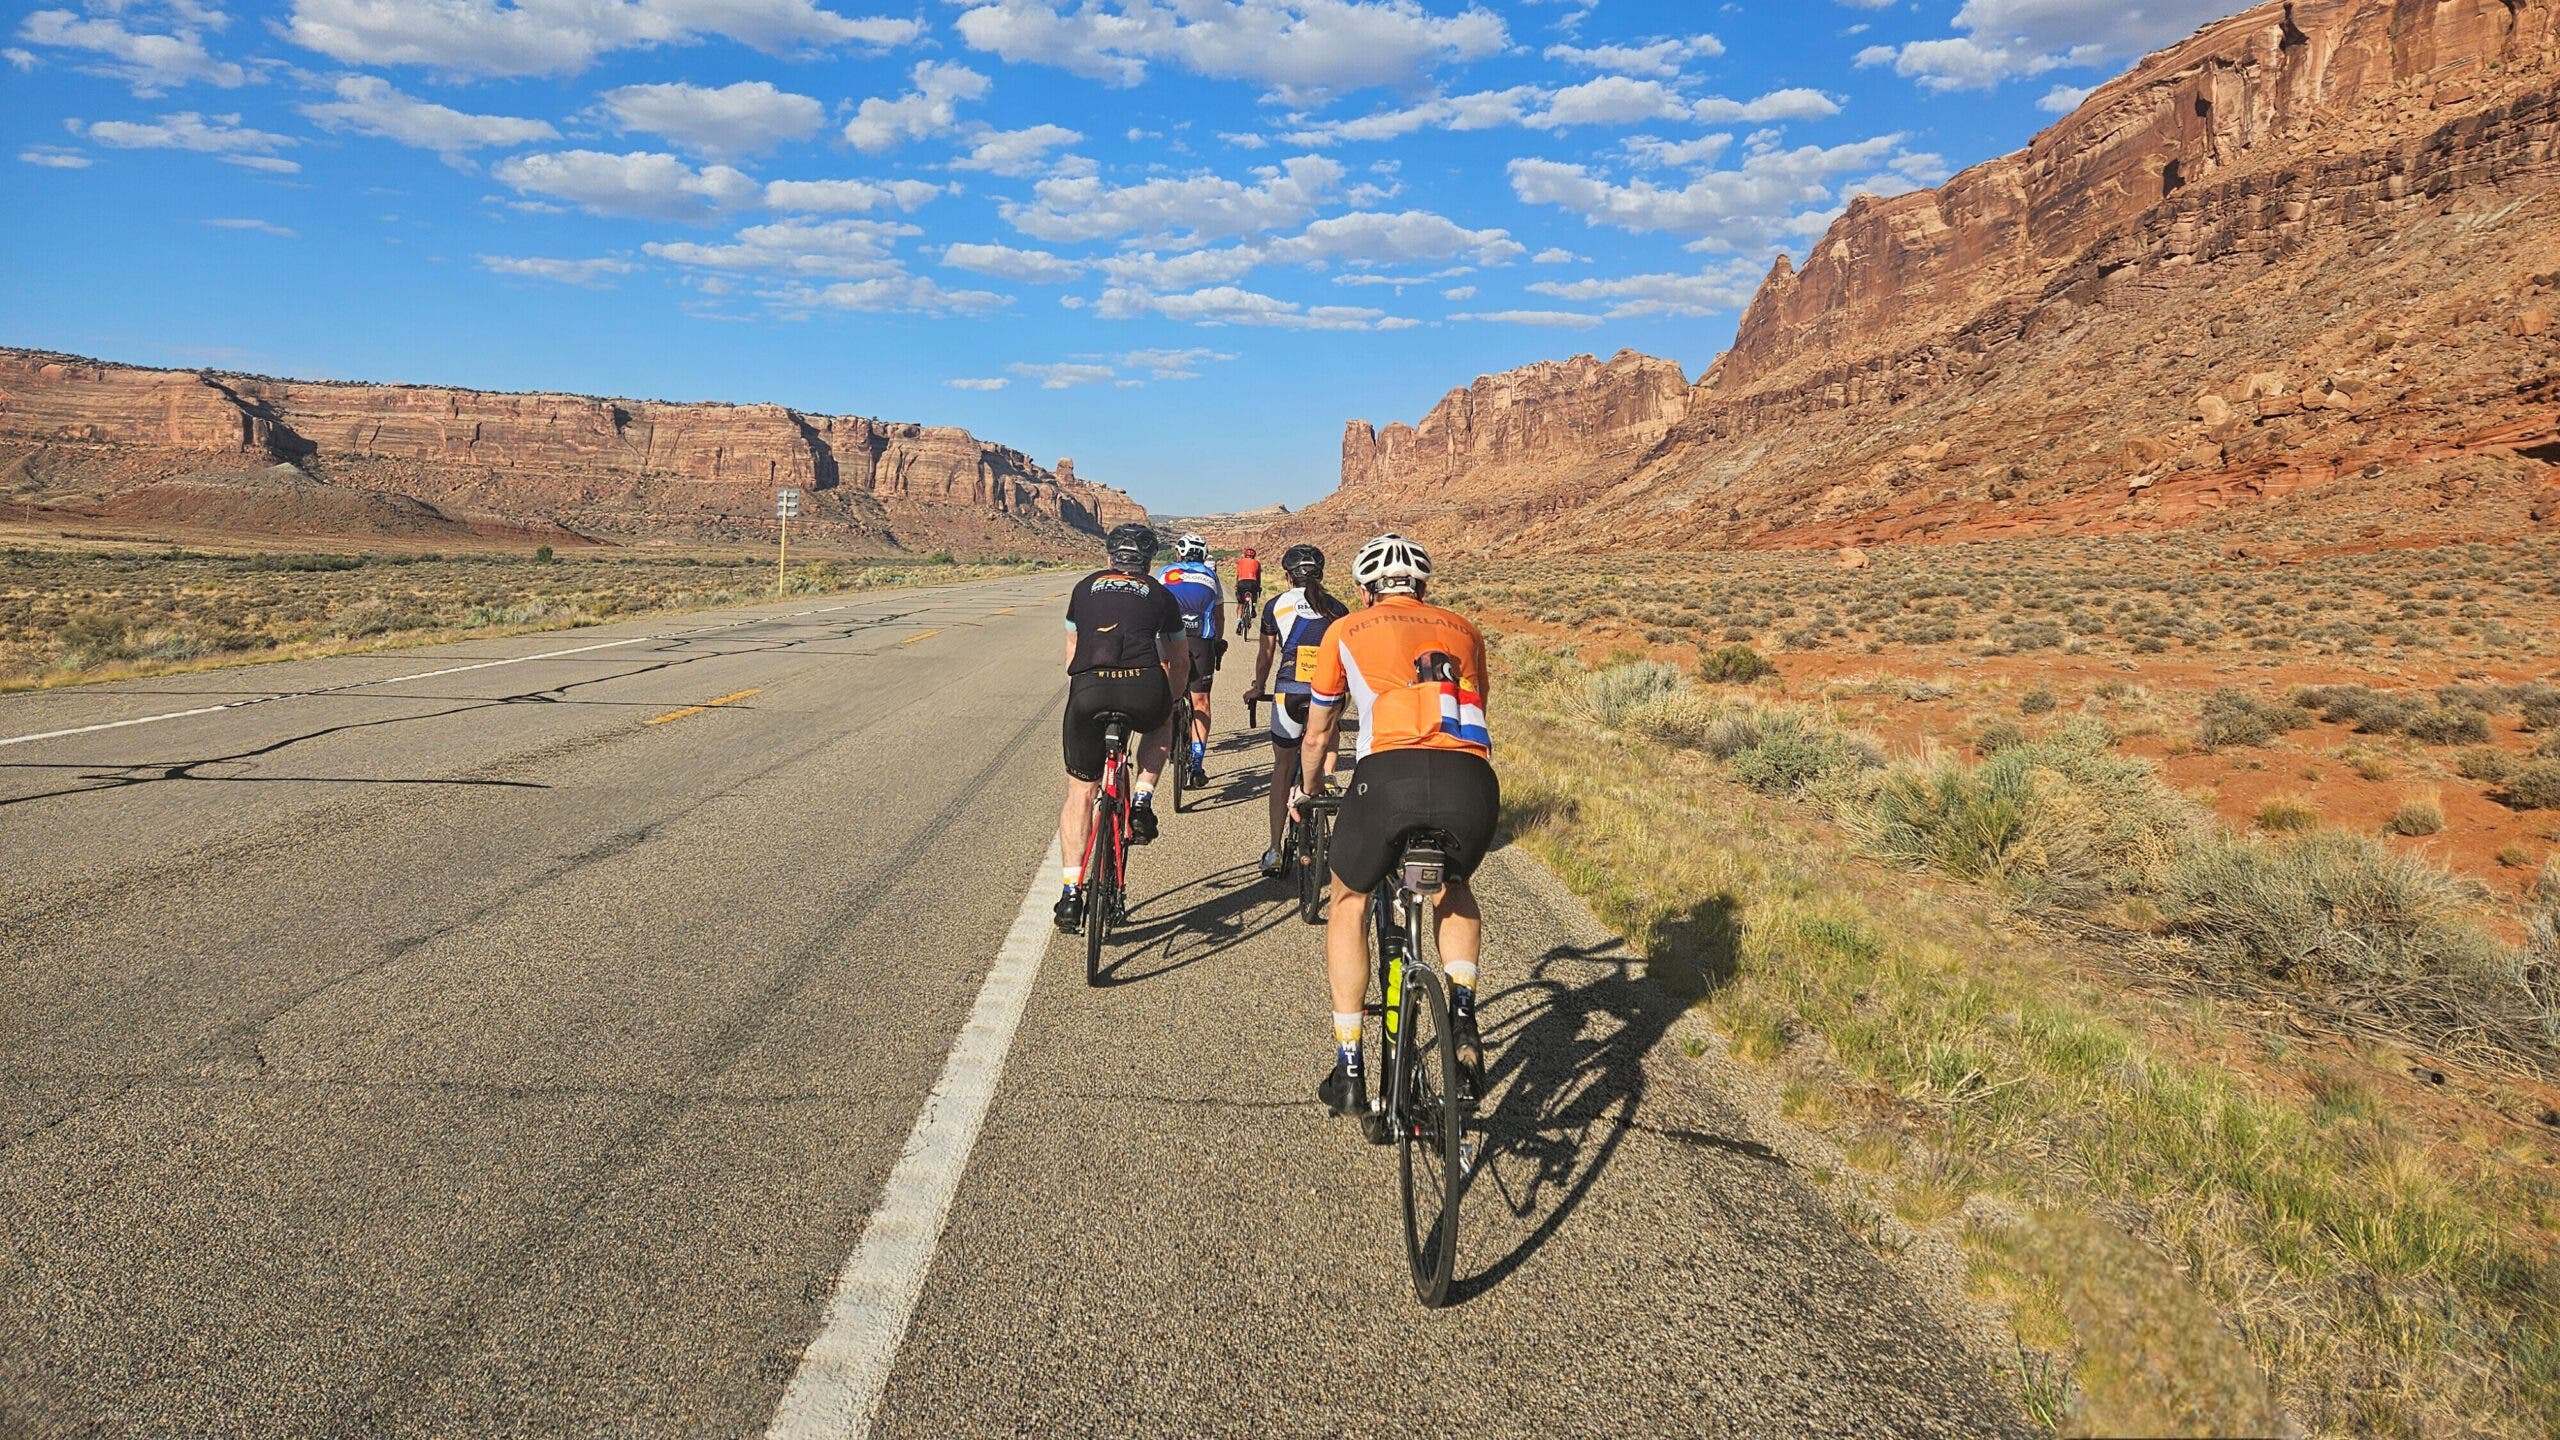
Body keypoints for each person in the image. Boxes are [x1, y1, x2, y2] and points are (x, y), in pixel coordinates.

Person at [1296, 533, 1498, 1119]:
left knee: (1349, 900)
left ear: (1363, 591)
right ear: (1424, 588)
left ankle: (1352, 1066)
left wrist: (1308, 792)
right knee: (1453, 887)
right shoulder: (1465, 629)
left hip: (1387, 778)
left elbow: (1318, 731)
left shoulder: (1344, 631)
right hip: (1470, 781)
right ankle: (1462, 1011)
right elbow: (1475, 706)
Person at [1056, 522, 1189, 932]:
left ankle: (1070, 894)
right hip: (1142, 687)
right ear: (1149, 562)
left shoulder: (1083, 588)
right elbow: (1179, 660)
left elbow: (1071, 655)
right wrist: (1172, 698)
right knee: (1162, 719)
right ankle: (1144, 799)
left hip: (1089, 690)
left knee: (1081, 790)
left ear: (1109, 557)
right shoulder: (1162, 595)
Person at [1240, 543, 1346, 878]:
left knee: (1282, 768)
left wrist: (1258, 687)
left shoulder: (1276, 605)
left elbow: (1266, 656)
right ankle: (1326, 780)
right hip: (1327, 693)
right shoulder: (1339, 608)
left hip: (1289, 691)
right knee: (1330, 727)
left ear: (1288, 577)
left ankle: (1274, 850)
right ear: (1321, 574)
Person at [1155, 533, 1224, 789]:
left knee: (1165, 689)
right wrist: (1219, 642)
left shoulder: (1164, 573)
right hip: (1200, 641)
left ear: (1179, 554)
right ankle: (1196, 764)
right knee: (1201, 702)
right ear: (1203, 555)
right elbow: (1219, 615)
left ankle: (1167, 723)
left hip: (1167, 639)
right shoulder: (1210, 575)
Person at [1233, 547, 1263, 630]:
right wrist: (1259, 587)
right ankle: (1253, 607)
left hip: (1241, 583)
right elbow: (1258, 577)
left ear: (1245, 555)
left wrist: (1236, 586)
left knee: (1240, 604)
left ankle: (1239, 623)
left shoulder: (1240, 562)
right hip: (1253, 583)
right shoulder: (1257, 562)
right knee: (1255, 594)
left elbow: (1238, 575)